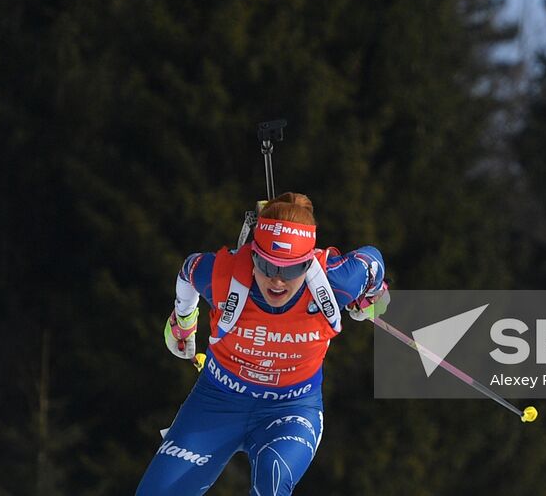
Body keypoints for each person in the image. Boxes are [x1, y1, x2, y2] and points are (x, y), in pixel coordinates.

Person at [136, 192, 388, 495]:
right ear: (252, 254)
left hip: (290, 409)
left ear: (309, 263)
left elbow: (373, 260)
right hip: (216, 402)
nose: (277, 281)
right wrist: (183, 322)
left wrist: (372, 297)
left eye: (292, 269)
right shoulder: (225, 277)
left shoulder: (338, 283)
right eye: (267, 266)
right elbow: (189, 270)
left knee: (272, 478)